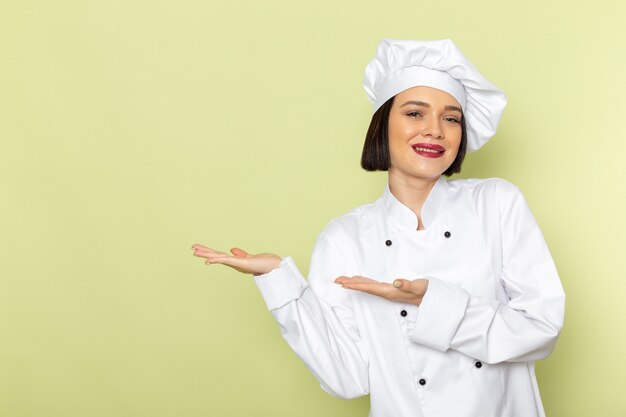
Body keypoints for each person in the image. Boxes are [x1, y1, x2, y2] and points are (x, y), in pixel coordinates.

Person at [191, 38, 566, 417]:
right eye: (415, 113)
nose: (434, 130)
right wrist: (282, 284)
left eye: (451, 118)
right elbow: (349, 378)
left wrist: (429, 302)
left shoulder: (497, 203)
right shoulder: (345, 238)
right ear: (382, 124)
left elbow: (540, 328)